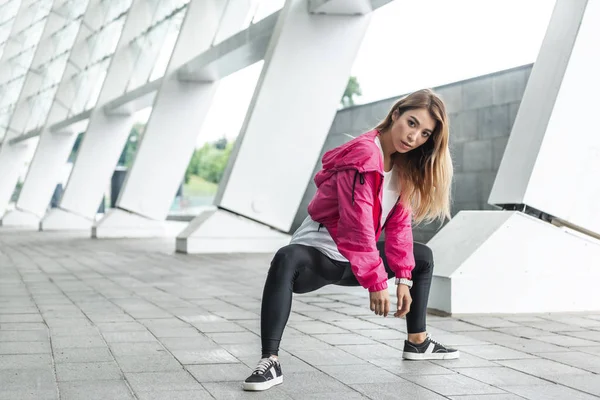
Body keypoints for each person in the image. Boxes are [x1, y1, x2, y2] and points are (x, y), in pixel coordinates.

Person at [242, 89, 459, 392]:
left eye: (424, 134)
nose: (413, 138)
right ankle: (270, 361)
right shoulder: (363, 155)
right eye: (411, 123)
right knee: (286, 257)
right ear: (396, 113)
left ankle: (417, 342)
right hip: (321, 257)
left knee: (421, 256)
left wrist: (403, 279)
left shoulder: (402, 167)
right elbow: (355, 225)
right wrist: (376, 282)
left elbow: (398, 228)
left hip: (355, 261)